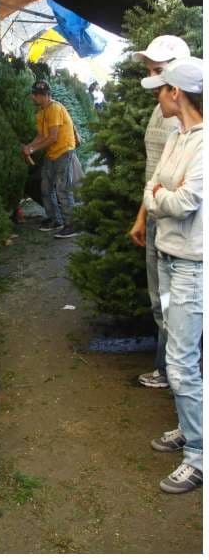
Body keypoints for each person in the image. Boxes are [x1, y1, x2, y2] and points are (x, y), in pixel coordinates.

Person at [140, 57, 203, 494]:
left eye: (160, 89)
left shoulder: (203, 143)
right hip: (167, 258)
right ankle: (188, 426)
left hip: (192, 268)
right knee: (183, 353)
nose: (156, 96)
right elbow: (154, 188)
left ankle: (199, 457)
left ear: (176, 93)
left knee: (181, 364)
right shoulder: (175, 136)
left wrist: (162, 197)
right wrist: (162, 195)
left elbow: (184, 201)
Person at [128, 35, 191, 389]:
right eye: (150, 70)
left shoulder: (190, 123)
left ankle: (179, 376)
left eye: (159, 70)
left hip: (178, 230)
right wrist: (142, 216)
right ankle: (168, 370)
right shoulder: (160, 107)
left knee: (174, 306)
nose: (153, 79)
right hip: (155, 221)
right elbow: (154, 169)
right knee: (160, 303)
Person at [22, 80, 79, 238]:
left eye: (36, 95)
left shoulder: (54, 109)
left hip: (64, 151)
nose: (33, 97)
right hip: (52, 153)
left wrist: (32, 149)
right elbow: (41, 135)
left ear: (45, 96)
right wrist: (29, 146)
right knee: (46, 188)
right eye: (34, 94)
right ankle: (55, 220)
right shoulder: (41, 112)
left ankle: (72, 224)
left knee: (62, 189)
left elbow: (53, 137)